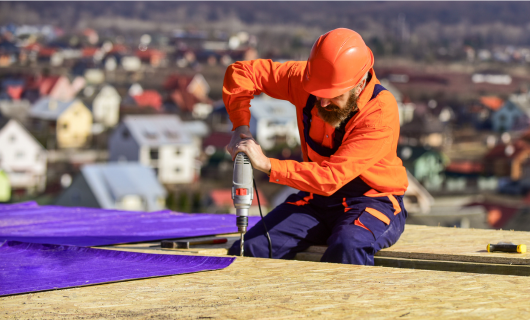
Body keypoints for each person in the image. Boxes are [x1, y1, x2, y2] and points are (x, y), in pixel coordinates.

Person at [223, 28, 408, 265]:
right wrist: (241, 126)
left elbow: (331, 177)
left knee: (347, 246)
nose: (322, 101)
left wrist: (269, 165)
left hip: (372, 199)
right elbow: (241, 72)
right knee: (252, 247)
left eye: (332, 95)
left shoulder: (379, 112)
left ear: (359, 84)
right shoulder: (305, 79)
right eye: (317, 93)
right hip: (317, 199)